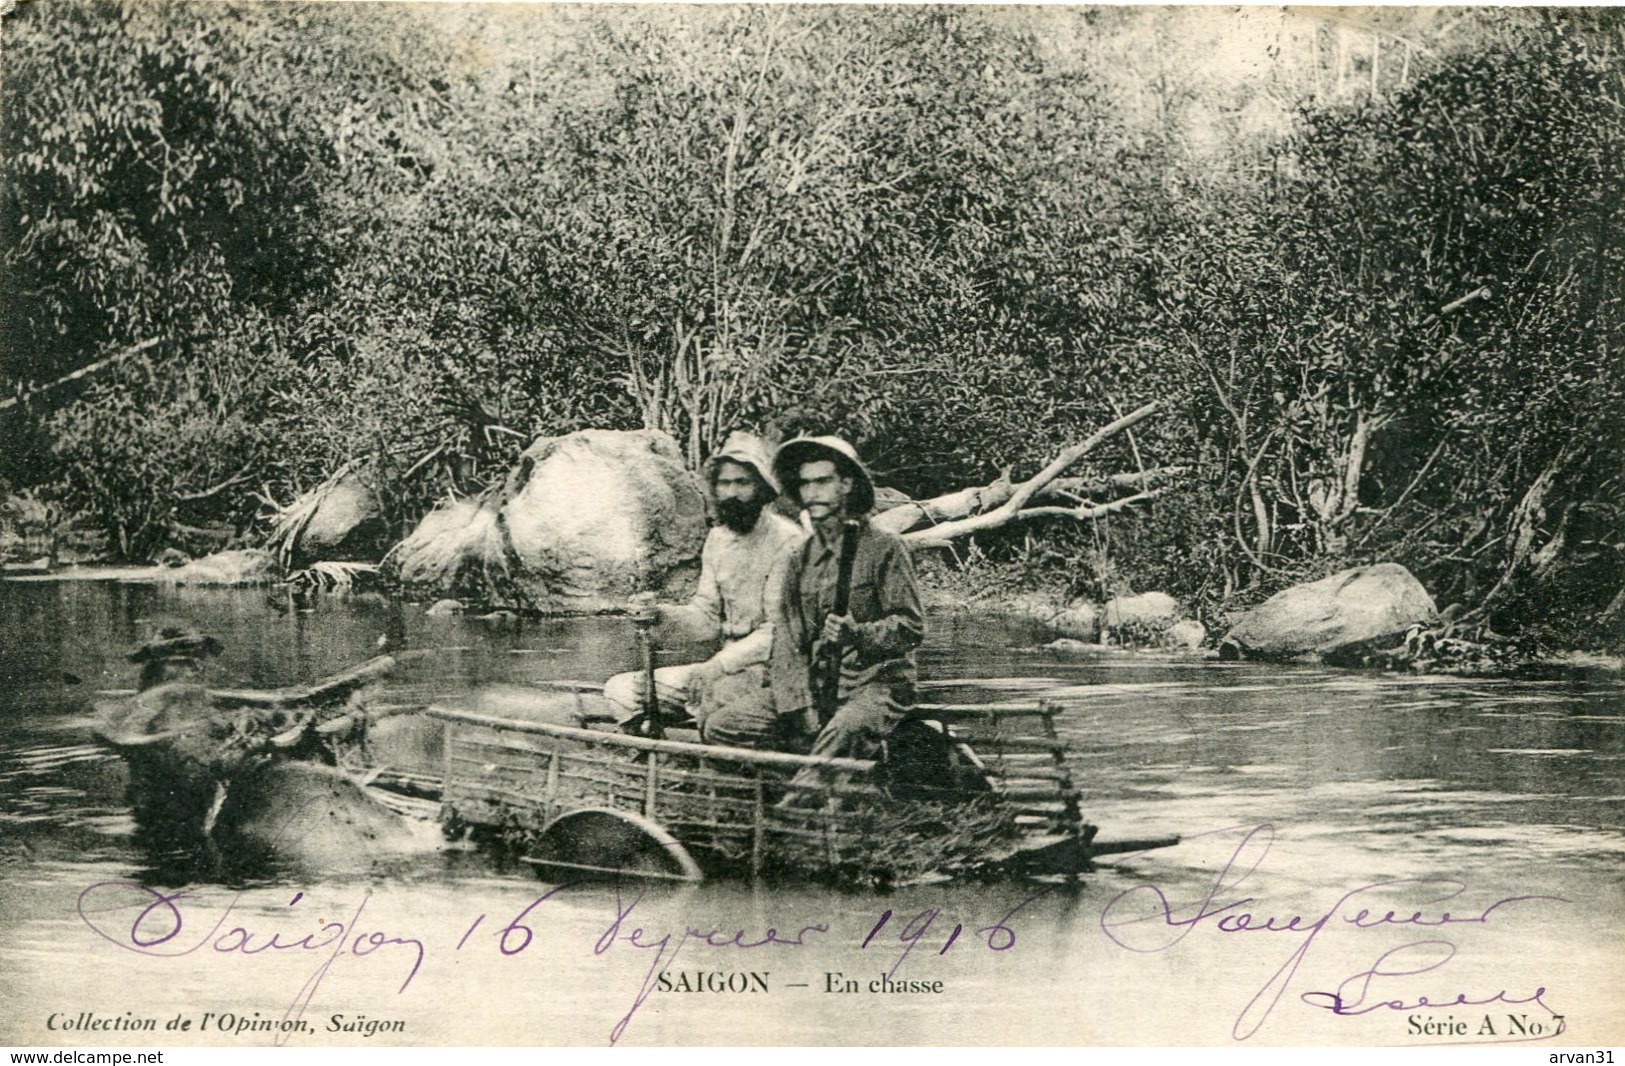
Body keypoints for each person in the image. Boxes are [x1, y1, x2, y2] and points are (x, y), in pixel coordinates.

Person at [603, 431, 803, 740]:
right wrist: (661, 615)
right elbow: (706, 616)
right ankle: (658, 759)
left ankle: (729, 768)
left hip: (769, 671)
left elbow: (776, 630)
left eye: (742, 483)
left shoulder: (788, 540)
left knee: (714, 695)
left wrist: (717, 666)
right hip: (720, 666)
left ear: (763, 489)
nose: (732, 493)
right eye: (724, 484)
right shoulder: (718, 538)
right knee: (621, 691)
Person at [757, 436, 923, 765]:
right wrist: (797, 704)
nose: (811, 493)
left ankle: (797, 810)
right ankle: (787, 791)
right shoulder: (799, 557)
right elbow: (788, 638)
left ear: (846, 484)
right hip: (819, 686)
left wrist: (857, 634)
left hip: (878, 684)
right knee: (727, 725)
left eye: (823, 482)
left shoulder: (885, 547)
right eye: (804, 484)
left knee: (841, 733)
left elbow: (910, 628)